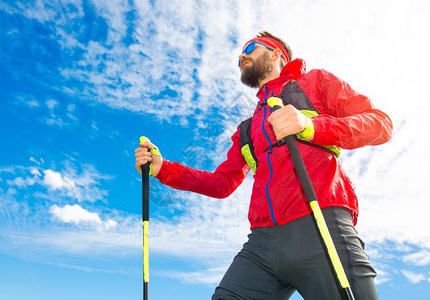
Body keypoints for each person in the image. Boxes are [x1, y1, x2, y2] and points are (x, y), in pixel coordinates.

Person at [135, 31, 393, 300]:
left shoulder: (316, 82)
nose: (241, 56)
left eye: (250, 48)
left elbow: (380, 124)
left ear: (275, 54)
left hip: (320, 225)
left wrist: (310, 126)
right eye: (239, 55)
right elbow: (222, 183)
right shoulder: (247, 129)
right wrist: (163, 168)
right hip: (263, 245)